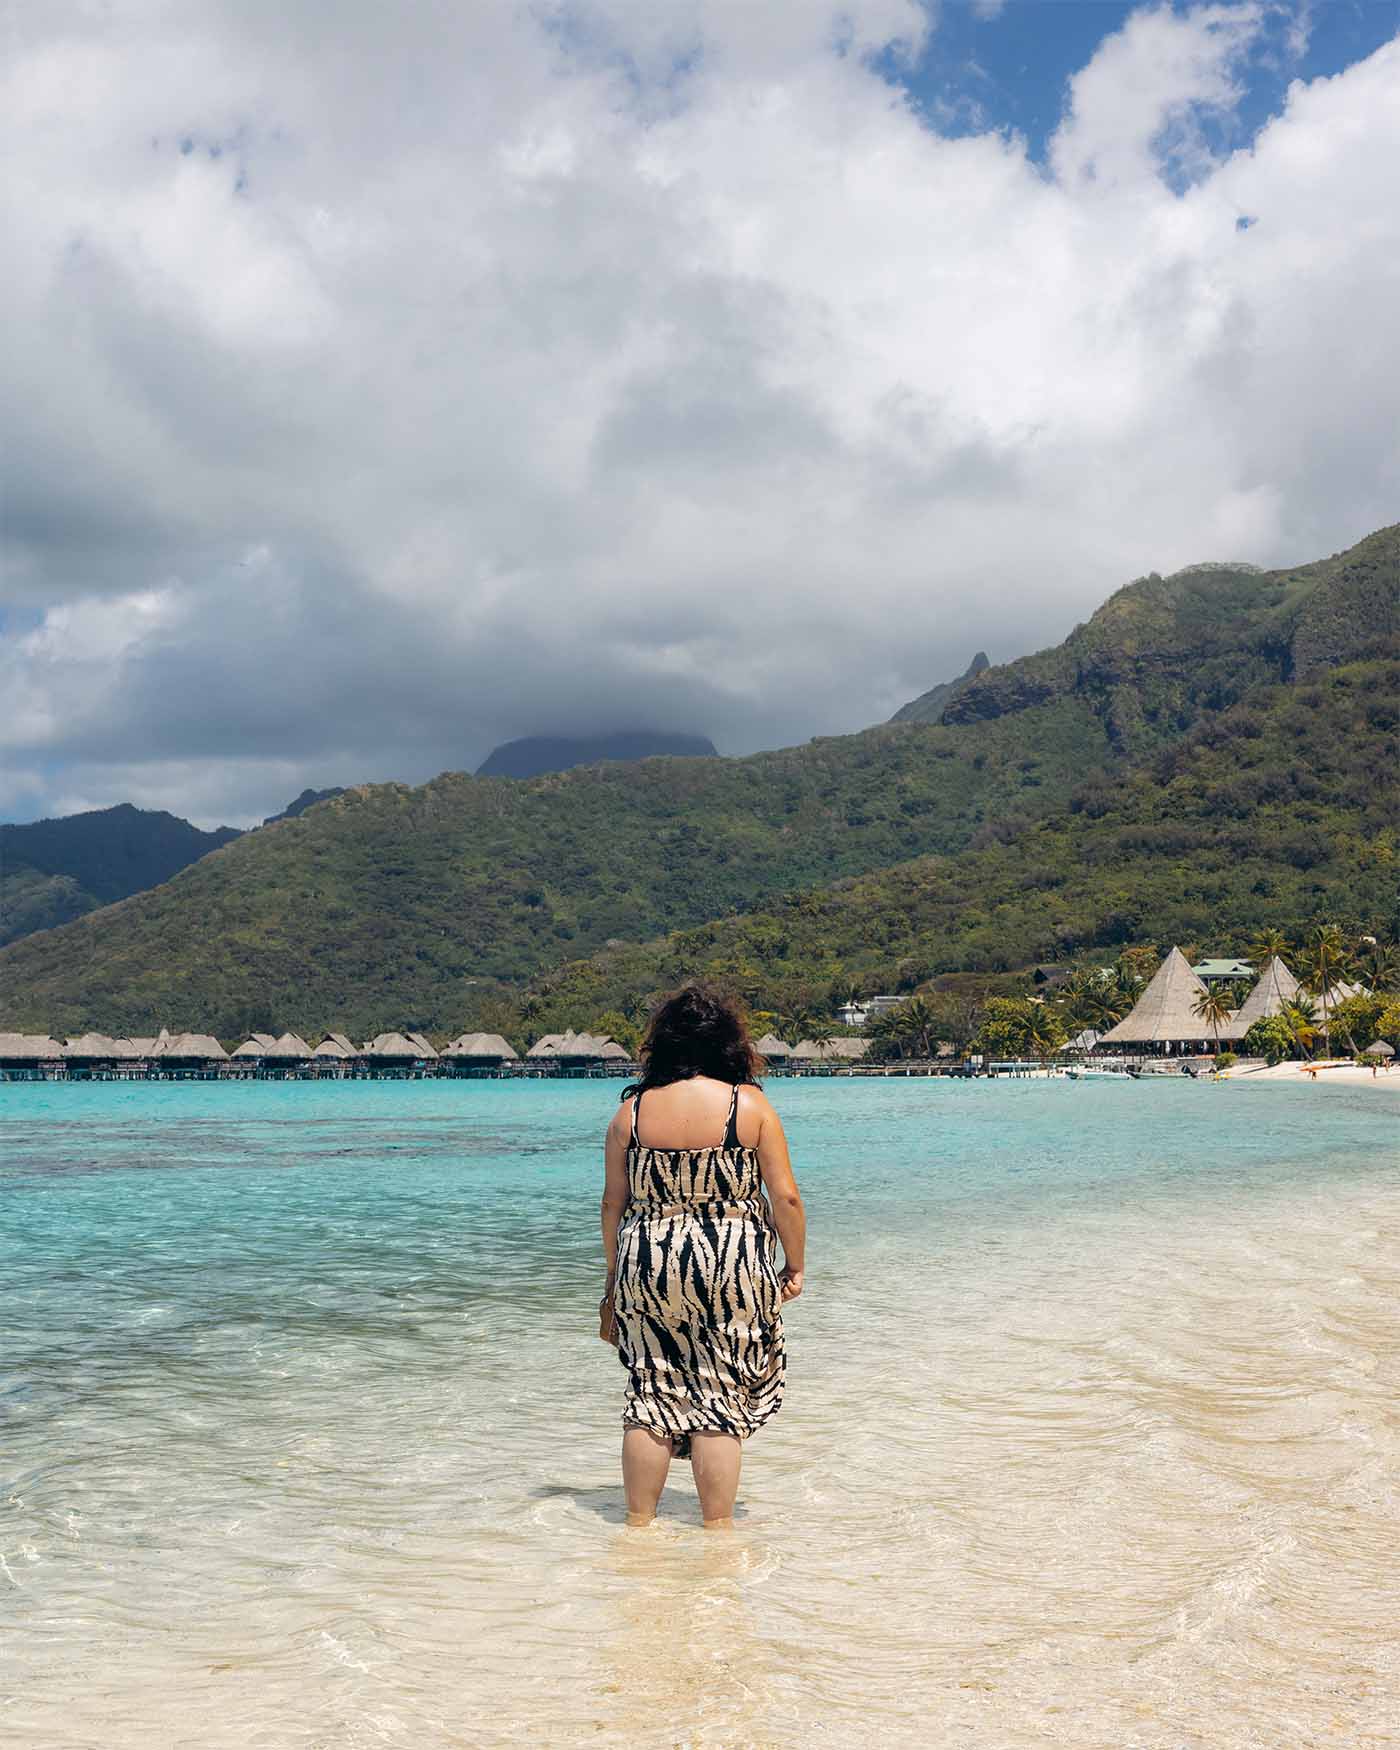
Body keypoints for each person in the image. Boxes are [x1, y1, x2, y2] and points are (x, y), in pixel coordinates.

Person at [601, 984, 805, 1530]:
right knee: (718, 1390)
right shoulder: (749, 1105)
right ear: (729, 1043)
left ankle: (638, 1527)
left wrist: (611, 1287)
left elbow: (612, 1206)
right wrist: (796, 1263)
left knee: (651, 1389)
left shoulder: (631, 1112)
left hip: (646, 1255)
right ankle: (717, 1531)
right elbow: (784, 1195)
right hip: (728, 1259)